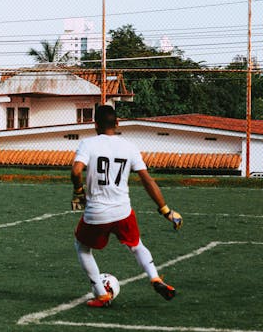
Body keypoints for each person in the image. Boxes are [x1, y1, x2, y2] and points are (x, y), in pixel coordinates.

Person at [71, 104, 183, 307]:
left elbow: (76, 171)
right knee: (136, 245)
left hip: (97, 212)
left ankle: (101, 293)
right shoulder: (129, 147)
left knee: (82, 247)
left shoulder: (88, 144)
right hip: (123, 211)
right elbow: (148, 181)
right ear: (117, 123)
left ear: (95, 125)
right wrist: (165, 210)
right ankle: (154, 277)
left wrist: (79, 191)